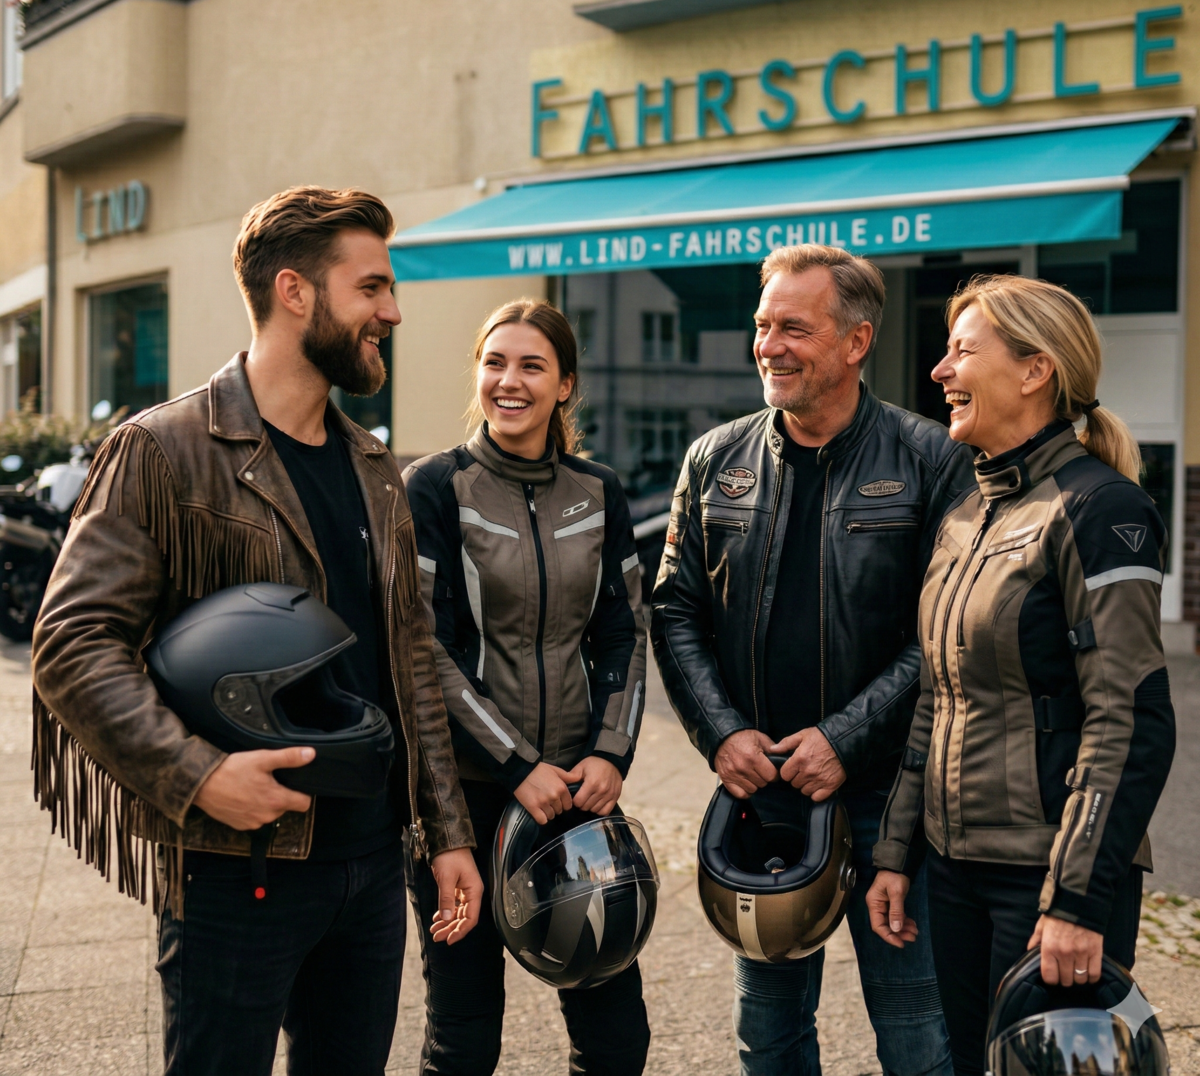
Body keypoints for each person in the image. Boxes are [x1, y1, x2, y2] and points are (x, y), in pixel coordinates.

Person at [31, 187, 482, 1076]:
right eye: (373, 288)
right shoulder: (164, 448)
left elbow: (412, 663)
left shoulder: (376, 467)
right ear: (296, 291)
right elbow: (73, 641)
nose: (392, 311)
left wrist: (447, 830)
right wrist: (199, 776)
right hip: (236, 869)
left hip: (369, 869)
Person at [652, 243, 972, 1076]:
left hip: (889, 798)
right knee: (768, 1031)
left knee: (915, 1032)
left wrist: (845, 739)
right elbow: (673, 609)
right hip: (761, 792)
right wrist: (722, 736)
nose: (769, 345)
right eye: (762, 326)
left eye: (793, 327)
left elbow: (945, 632)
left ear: (856, 341)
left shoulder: (929, 459)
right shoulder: (714, 459)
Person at [866, 275, 1177, 1076]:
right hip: (956, 871)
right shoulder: (967, 514)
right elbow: (937, 698)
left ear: (1036, 370)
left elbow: (1130, 718)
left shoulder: (1103, 509)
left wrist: (1076, 902)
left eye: (962, 351)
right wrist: (898, 852)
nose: (938, 371)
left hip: (1049, 880)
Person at [403, 298, 651, 1075]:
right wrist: (516, 768)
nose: (509, 381)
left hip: (578, 795)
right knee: (464, 1035)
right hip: (466, 801)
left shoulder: (599, 491)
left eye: (531, 366)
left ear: (565, 385)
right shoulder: (434, 486)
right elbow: (424, 650)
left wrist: (609, 756)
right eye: (495, 363)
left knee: (616, 1036)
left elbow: (625, 633)